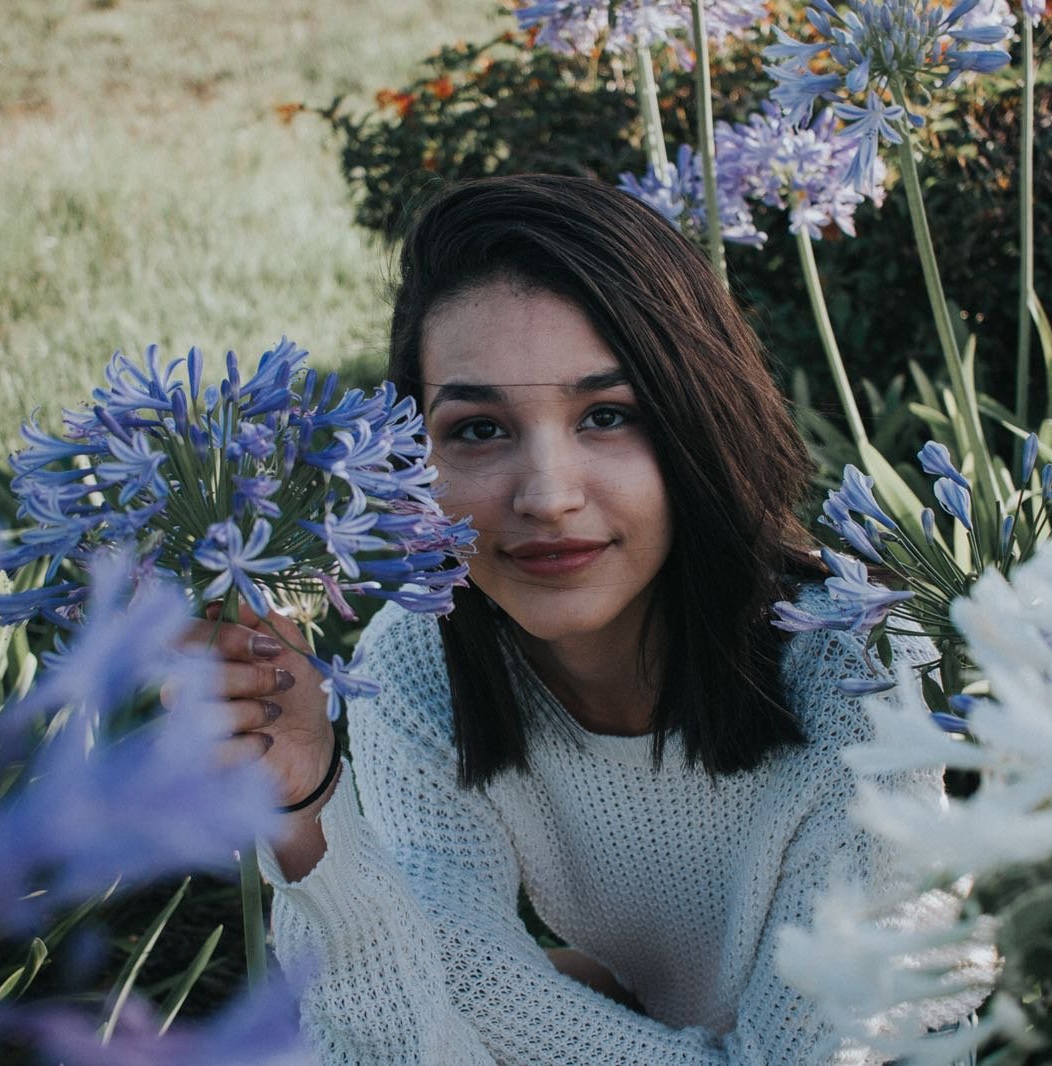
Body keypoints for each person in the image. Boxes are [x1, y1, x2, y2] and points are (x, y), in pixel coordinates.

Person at [193, 174, 966, 1063]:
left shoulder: (853, 660)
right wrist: (304, 816)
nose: (548, 497)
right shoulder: (415, 657)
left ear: (698, 421)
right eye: (479, 429)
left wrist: (502, 1007)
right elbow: (402, 1037)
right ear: (413, 462)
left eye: (607, 415)